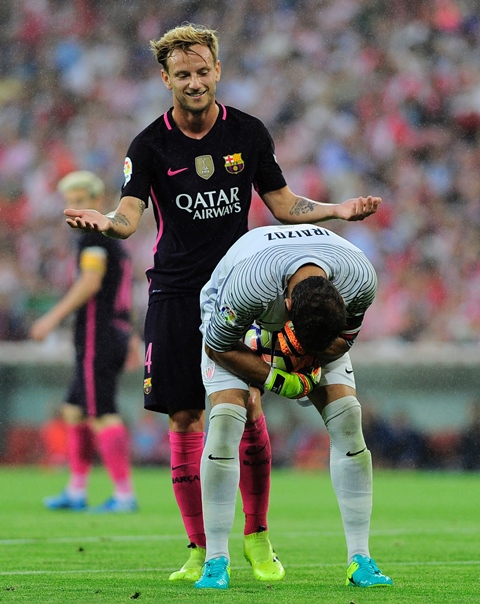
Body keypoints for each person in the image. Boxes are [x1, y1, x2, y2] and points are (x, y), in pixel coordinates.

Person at [62, 23, 382, 581]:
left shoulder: (249, 134)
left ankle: (257, 538)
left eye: (202, 71)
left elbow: (282, 205)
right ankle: (199, 548)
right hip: (177, 292)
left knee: (246, 409)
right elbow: (130, 215)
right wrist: (108, 225)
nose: (194, 82)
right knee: (185, 418)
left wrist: (336, 208)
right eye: (182, 74)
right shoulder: (149, 145)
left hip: (245, 287)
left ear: (217, 70)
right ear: (165, 78)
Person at [197, 223, 393, 590]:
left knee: (349, 417)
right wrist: (276, 378)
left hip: (310, 328)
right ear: (287, 307)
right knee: (225, 420)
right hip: (237, 325)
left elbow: (341, 342)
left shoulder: (360, 280)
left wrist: (306, 360)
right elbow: (217, 346)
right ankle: (215, 560)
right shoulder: (249, 286)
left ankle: (360, 558)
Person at [30, 171, 139, 513]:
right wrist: (132, 336)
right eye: (69, 202)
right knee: (74, 410)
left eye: (80, 202)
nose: (73, 209)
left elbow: (90, 284)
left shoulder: (93, 239)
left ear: (95, 202)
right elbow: (119, 293)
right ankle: (76, 490)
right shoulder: (114, 242)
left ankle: (123, 494)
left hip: (98, 335)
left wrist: (50, 318)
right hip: (114, 332)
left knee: (101, 412)